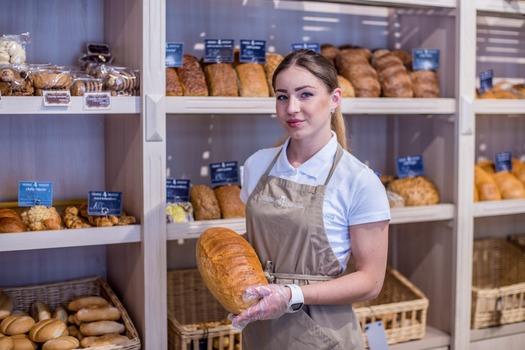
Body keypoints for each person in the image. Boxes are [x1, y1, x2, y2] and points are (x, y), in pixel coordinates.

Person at [231, 49, 391, 349]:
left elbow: (371, 281)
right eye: (282, 96)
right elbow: (266, 240)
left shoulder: (358, 181)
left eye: (305, 95)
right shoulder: (257, 165)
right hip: (261, 330)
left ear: (334, 99)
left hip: (323, 334)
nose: (292, 108)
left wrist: (291, 294)